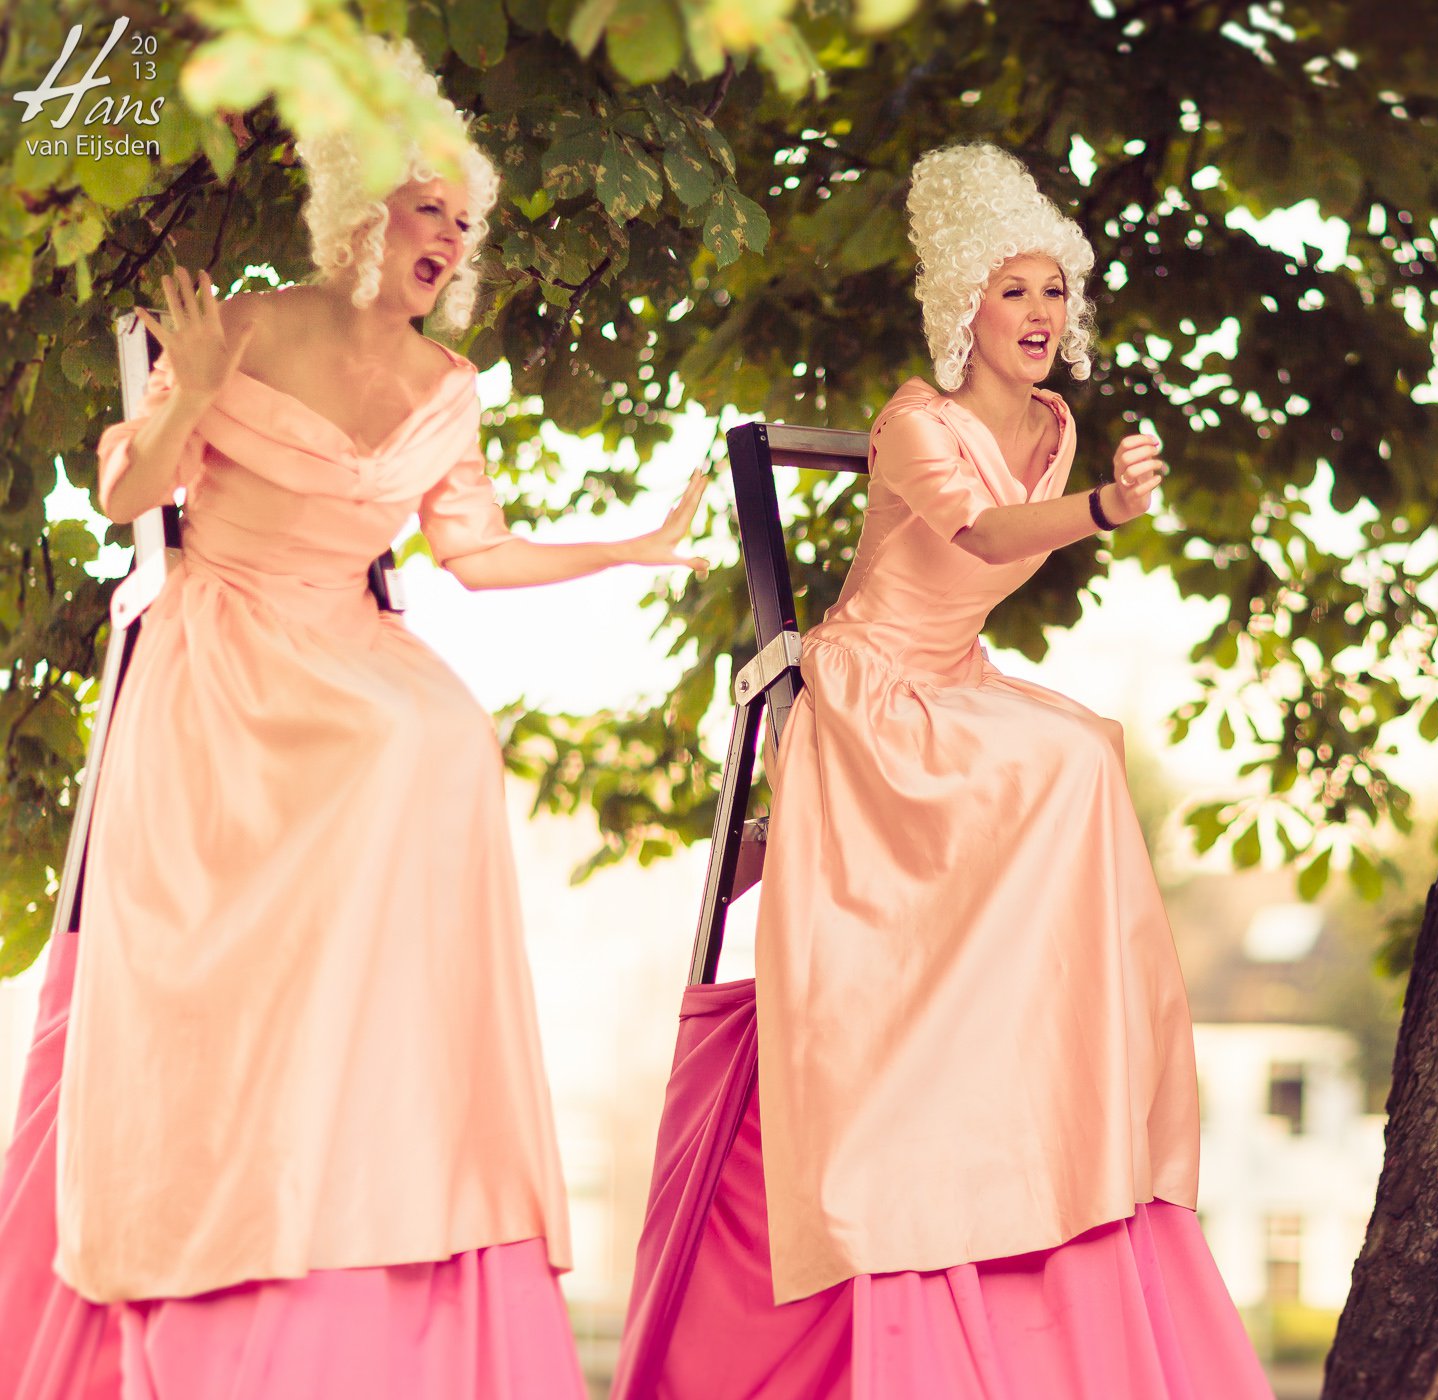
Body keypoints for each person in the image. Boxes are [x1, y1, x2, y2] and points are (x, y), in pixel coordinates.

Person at [0, 38, 701, 1400]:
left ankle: (384, 1105)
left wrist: (628, 546)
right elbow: (131, 498)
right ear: (360, 207)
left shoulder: (449, 386)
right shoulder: (254, 324)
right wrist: (197, 386)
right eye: (426, 205)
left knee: (441, 735)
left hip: (348, 634)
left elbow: (476, 553)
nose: (447, 236)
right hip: (226, 638)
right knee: (386, 744)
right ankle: (258, 1115)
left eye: (464, 221)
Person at [667, 142, 1270, 1396]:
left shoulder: (1054, 426)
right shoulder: (915, 422)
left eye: (1054, 289)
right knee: (1064, 761)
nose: (1040, 313)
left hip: (958, 678)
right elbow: (984, 532)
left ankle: (1065, 1086)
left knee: (1083, 751)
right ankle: (965, 1087)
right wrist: (1103, 510)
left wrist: (1093, 489)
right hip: (871, 689)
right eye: (1013, 290)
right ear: (965, 308)